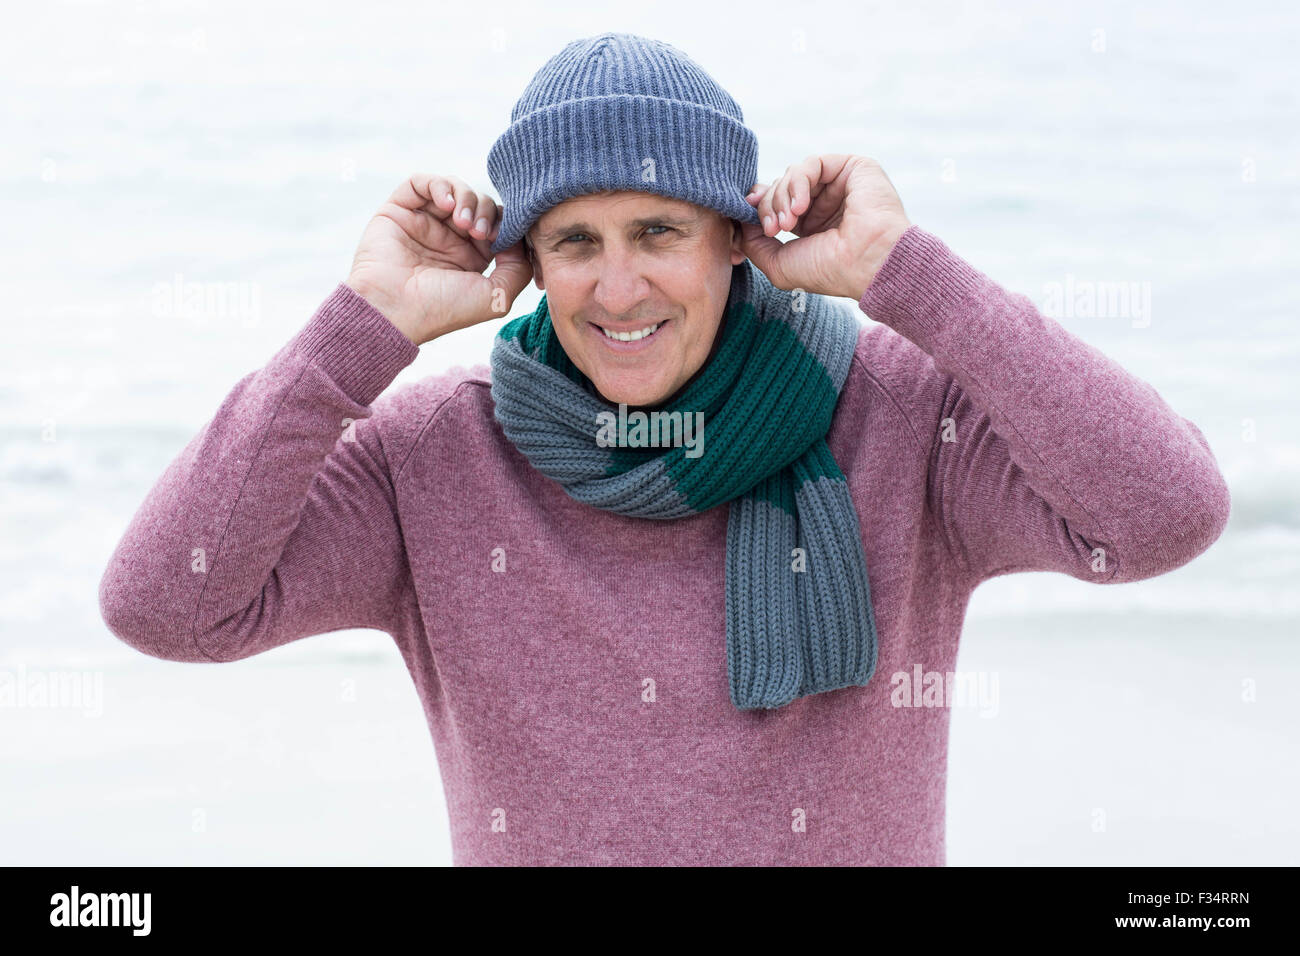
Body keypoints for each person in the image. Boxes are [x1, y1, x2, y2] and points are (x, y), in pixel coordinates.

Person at [98, 32, 1231, 865]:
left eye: (658, 233)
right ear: (529, 260)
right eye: (575, 241)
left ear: (735, 242)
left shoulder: (894, 416)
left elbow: (1164, 511)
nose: (619, 285)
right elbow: (167, 604)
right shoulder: (436, 455)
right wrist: (360, 329)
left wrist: (908, 274)